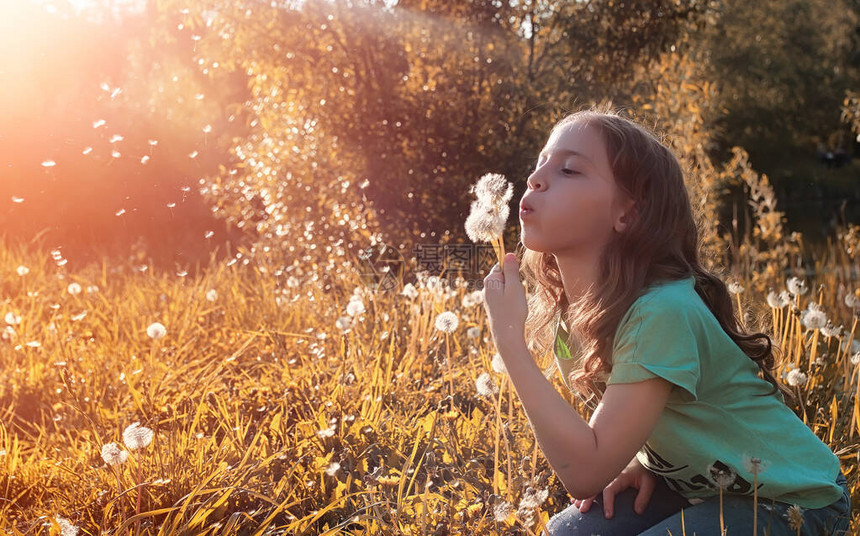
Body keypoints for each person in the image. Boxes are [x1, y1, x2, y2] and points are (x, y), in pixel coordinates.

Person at [481, 108, 852, 535]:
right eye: (540, 163)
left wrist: (511, 344)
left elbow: (584, 471)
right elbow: (618, 432)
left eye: (568, 169)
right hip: (699, 484)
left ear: (628, 214)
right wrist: (642, 462)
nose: (536, 177)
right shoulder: (571, 319)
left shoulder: (660, 311)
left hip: (789, 497)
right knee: (567, 532)